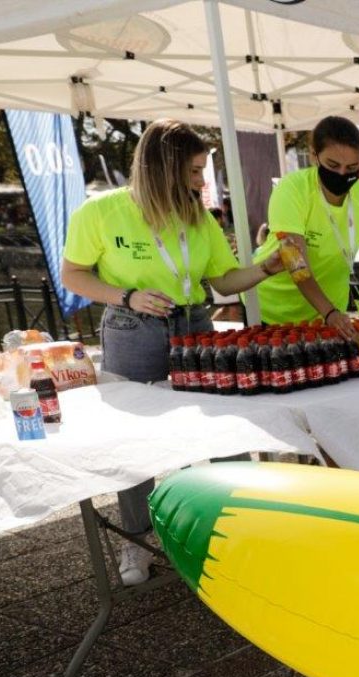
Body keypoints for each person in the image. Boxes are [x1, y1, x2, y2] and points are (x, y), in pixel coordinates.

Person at [60, 118, 285, 584]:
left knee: (221, 427)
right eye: (195, 171)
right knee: (133, 439)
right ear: (164, 167)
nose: (202, 182)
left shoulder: (198, 217)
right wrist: (127, 296)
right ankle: (137, 539)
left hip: (194, 328)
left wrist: (269, 267)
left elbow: (224, 281)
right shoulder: (99, 211)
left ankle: (235, 526)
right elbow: (73, 274)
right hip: (132, 330)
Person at [253, 117, 359, 338]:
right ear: (314, 155)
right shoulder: (292, 189)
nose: (342, 174)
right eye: (333, 165)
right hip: (272, 310)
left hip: (329, 314)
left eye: (352, 167)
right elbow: (295, 262)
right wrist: (329, 312)